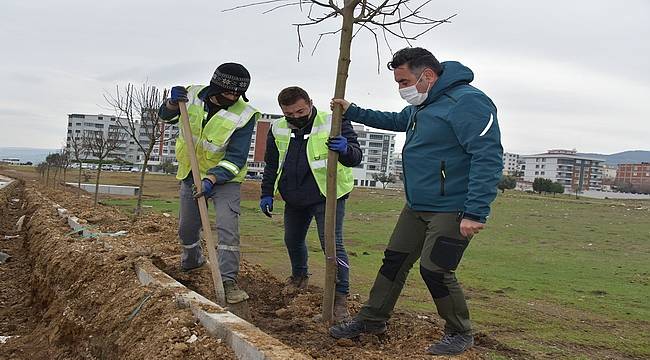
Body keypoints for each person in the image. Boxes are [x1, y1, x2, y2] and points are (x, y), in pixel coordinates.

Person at [328, 47, 503, 356]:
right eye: (397, 82)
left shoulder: (468, 103)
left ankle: (460, 331)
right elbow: (397, 120)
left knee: (435, 269)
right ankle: (371, 320)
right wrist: (353, 110)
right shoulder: (425, 104)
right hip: (417, 204)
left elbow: (487, 157)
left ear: (428, 75)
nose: (401, 88)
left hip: (453, 206)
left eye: (403, 81)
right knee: (394, 261)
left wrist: (476, 211)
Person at [158, 63, 260, 305]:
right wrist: (172, 103)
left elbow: (236, 157)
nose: (233, 98)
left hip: (225, 179)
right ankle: (192, 261)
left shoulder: (245, 115)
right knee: (187, 228)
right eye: (228, 93)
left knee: (227, 228)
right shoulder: (191, 96)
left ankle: (228, 280)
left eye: (238, 95)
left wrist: (212, 179)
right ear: (216, 87)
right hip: (190, 174)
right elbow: (167, 117)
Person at [259, 86, 362, 321]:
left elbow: (356, 156)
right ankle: (299, 277)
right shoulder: (278, 128)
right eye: (290, 114)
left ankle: (339, 299)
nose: (296, 117)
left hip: (327, 195)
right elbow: (272, 164)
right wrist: (266, 193)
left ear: (310, 103)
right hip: (294, 196)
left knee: (332, 245)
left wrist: (345, 149)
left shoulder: (333, 121)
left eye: (300, 111)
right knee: (292, 240)